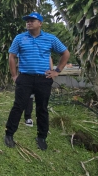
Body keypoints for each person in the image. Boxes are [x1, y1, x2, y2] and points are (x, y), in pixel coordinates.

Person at [4, 12, 70, 151]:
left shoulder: (50, 39)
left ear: (40, 23)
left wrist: (57, 71)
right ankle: (9, 134)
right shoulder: (19, 38)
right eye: (27, 20)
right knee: (18, 106)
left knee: (42, 108)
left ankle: (41, 137)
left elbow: (65, 53)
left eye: (32, 20)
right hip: (25, 77)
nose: (29, 22)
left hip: (43, 79)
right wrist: (14, 76)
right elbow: (12, 56)